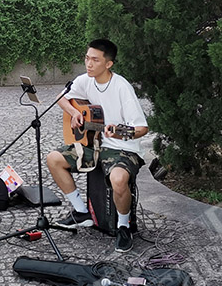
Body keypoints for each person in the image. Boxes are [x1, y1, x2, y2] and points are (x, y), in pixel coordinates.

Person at [47, 39, 148, 253]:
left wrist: (122, 132)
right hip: (93, 143)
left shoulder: (122, 88)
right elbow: (61, 98)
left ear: (108, 64)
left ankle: (123, 226)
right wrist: (75, 113)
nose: (88, 64)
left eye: (95, 60)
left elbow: (142, 128)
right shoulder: (85, 80)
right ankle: (82, 212)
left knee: (118, 179)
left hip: (122, 148)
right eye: (86, 58)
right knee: (53, 159)